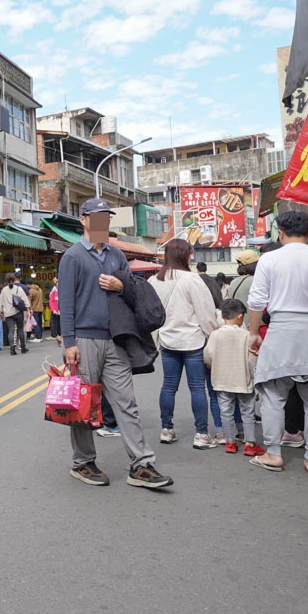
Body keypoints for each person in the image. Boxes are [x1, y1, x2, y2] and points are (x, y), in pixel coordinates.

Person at [58, 197, 171, 490]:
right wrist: (69, 343)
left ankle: (141, 464)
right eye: (97, 217)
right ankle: (83, 462)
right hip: (84, 340)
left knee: (126, 402)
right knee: (84, 405)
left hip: (115, 338)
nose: (102, 223)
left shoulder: (116, 256)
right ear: (83, 219)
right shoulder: (72, 257)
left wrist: (121, 286)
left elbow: (130, 291)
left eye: (106, 218)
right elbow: (66, 304)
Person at [245, 210, 308, 474]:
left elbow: (257, 301)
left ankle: (273, 454)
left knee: (273, 396)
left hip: (281, 331)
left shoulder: (269, 259)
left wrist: (253, 332)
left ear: (280, 233)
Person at [150, 238, 221, 449]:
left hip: (167, 341)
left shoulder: (155, 280)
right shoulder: (192, 280)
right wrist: (213, 334)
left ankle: (166, 429)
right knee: (197, 388)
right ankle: (201, 434)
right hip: (192, 342)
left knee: (169, 386)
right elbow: (206, 313)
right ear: (185, 254)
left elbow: (151, 313)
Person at [204, 298, 257, 455]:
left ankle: (230, 442)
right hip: (243, 380)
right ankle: (249, 444)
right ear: (240, 316)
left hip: (222, 380)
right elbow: (251, 360)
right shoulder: (246, 335)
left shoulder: (215, 335)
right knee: (247, 412)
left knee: (225, 411)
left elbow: (208, 356)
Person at [0, 273, 29, 356]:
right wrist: (28, 309)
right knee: (20, 329)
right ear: (14, 280)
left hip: (8, 313)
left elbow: (0, 302)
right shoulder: (19, 289)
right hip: (18, 312)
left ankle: (12, 349)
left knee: (11, 331)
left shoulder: (3, 290)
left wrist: (1, 312)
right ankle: (23, 347)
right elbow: (25, 300)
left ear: (6, 281)